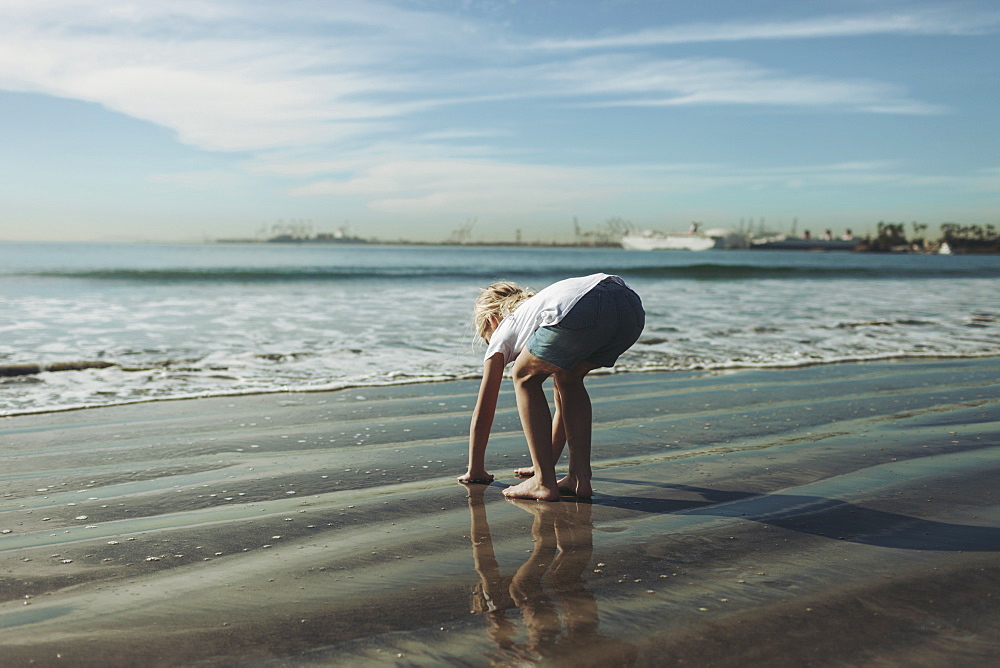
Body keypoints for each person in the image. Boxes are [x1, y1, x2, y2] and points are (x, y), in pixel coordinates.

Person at [457, 273, 644, 500]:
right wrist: (544, 463)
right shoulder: (540, 311)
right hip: (629, 307)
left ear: (491, 321)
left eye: (486, 337)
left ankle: (543, 482)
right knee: (568, 379)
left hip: (585, 306)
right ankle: (579, 478)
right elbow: (560, 408)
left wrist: (475, 469)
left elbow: (484, 408)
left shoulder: (505, 328)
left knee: (523, 377)